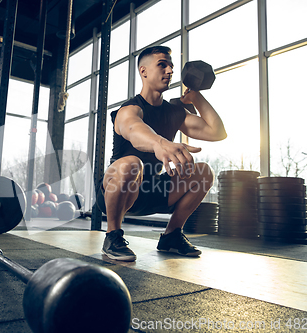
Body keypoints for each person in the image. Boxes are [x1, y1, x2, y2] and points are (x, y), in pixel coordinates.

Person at [95, 46, 227, 262]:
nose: (169, 71)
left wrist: (196, 97)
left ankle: (171, 235)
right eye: (162, 65)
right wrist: (159, 143)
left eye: (171, 67)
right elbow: (133, 129)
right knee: (131, 163)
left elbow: (217, 132)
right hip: (119, 193)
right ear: (143, 71)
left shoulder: (174, 112)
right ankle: (113, 236)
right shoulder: (129, 109)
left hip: (154, 191)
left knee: (203, 172)